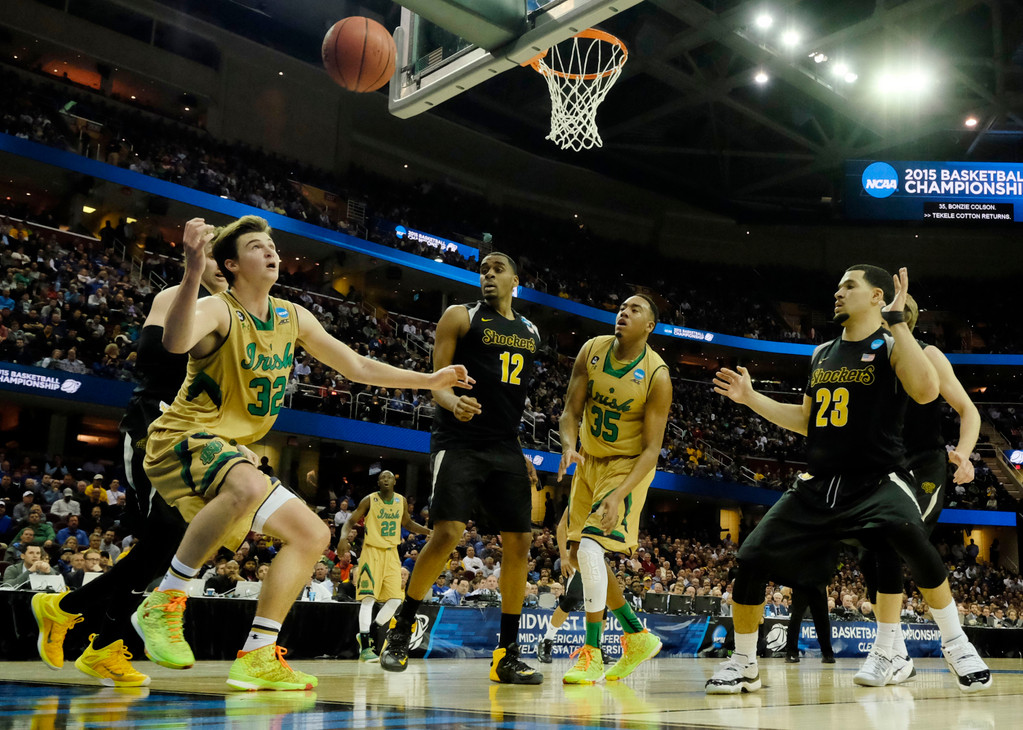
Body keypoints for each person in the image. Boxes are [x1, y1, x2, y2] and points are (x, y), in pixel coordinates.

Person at [131, 215, 468, 691]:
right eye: (255, 246)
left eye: (271, 244)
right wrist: (190, 270)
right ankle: (164, 602)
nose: (270, 251)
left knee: (311, 535)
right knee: (246, 482)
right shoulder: (216, 309)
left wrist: (427, 381)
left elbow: (354, 366)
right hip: (183, 436)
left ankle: (257, 654)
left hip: (229, 447)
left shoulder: (293, 315)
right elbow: (175, 341)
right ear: (230, 264)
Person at [710, 265, 990, 694]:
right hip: (819, 483)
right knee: (750, 558)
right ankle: (744, 663)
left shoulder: (894, 345)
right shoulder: (821, 353)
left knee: (906, 535)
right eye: (838, 286)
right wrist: (751, 398)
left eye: (848, 286)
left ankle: (956, 643)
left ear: (878, 296)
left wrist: (897, 322)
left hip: (878, 479)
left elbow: (926, 392)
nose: (837, 293)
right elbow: (806, 420)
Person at [30, 217, 230, 688]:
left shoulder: (242, 319)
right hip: (153, 426)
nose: (222, 266)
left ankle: (97, 637)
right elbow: (154, 360)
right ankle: (71, 616)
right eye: (215, 256)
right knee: (168, 536)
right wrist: (192, 273)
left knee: (168, 546)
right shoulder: (177, 300)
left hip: (199, 437)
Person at [381, 252, 542, 685]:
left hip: (505, 445)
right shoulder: (460, 316)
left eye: (498, 269)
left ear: (515, 280)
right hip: (459, 440)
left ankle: (506, 653)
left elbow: (514, 398)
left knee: (521, 541)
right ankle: (400, 630)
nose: (489, 275)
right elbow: (438, 383)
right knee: (449, 532)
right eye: (484, 270)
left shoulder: (531, 331)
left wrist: (519, 450)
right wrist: (456, 404)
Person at [854, 294, 981, 687]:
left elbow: (968, 410)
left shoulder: (930, 354)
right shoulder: (866, 356)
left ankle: (944, 643)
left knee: (894, 539)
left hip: (924, 463)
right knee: (869, 556)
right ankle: (899, 657)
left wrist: (963, 454)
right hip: (881, 464)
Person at [557, 294, 671, 684]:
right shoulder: (591, 350)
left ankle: (593, 652)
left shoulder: (657, 375)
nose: (624, 312)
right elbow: (570, 412)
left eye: (635, 309)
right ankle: (636, 635)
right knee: (588, 557)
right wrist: (569, 446)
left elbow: (653, 449)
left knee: (589, 549)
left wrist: (620, 494)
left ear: (649, 326)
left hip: (627, 467)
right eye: (622, 307)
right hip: (588, 460)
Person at [338, 469, 430, 662]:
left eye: (389, 477)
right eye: (382, 478)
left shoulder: (401, 501)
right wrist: (342, 538)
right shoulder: (369, 500)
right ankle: (365, 647)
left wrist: (428, 531)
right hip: (372, 552)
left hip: (391, 554)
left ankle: (371, 630)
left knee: (396, 599)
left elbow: (408, 523)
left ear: (394, 482)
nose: (386, 480)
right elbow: (351, 521)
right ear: (378, 483)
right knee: (368, 599)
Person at [785, 583, 835, 663]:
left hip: (818, 583)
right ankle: (791, 652)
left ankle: (827, 653)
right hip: (801, 582)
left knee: (823, 619)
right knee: (796, 618)